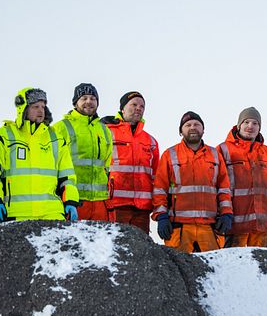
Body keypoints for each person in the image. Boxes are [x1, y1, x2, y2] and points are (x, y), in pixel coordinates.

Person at [0, 88, 79, 222]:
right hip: (16, 213)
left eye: (43, 106)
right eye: (35, 106)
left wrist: (71, 201)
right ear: (23, 108)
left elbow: (67, 175)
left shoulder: (56, 138)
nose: (41, 111)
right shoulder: (1, 136)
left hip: (52, 213)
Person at [152, 111, 233, 252]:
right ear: (181, 131)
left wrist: (227, 213)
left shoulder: (215, 155)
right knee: (178, 270)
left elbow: (224, 188)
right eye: (188, 125)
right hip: (179, 227)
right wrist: (161, 216)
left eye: (197, 124)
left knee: (213, 270)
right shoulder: (170, 154)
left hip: (209, 226)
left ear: (203, 129)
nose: (192, 127)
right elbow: (160, 188)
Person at [217, 107, 267, 247]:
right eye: (246, 122)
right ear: (239, 125)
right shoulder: (223, 150)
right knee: (233, 267)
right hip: (234, 227)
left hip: (264, 228)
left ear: (260, 127)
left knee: (261, 268)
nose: (250, 126)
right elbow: (217, 185)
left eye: (255, 123)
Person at [52, 83, 113, 221]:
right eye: (84, 98)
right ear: (75, 103)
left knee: (101, 241)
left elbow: (107, 164)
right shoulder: (61, 127)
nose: (89, 102)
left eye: (93, 98)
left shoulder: (104, 130)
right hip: (73, 199)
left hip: (100, 201)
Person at [101, 91, 159, 234]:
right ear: (122, 108)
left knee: (141, 251)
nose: (138, 108)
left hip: (142, 208)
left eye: (142, 106)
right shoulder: (107, 132)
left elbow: (156, 175)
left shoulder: (150, 141)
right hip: (116, 204)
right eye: (134, 104)